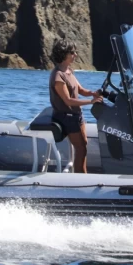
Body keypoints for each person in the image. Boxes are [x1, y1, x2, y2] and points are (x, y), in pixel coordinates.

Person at [49, 38, 102, 173]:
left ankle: (81, 174)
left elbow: (81, 90)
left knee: (83, 146)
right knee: (81, 148)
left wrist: (92, 94)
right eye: (72, 53)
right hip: (66, 117)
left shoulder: (69, 71)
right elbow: (68, 101)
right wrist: (91, 102)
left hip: (76, 115)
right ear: (64, 53)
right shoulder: (58, 76)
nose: (75, 55)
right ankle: (81, 178)